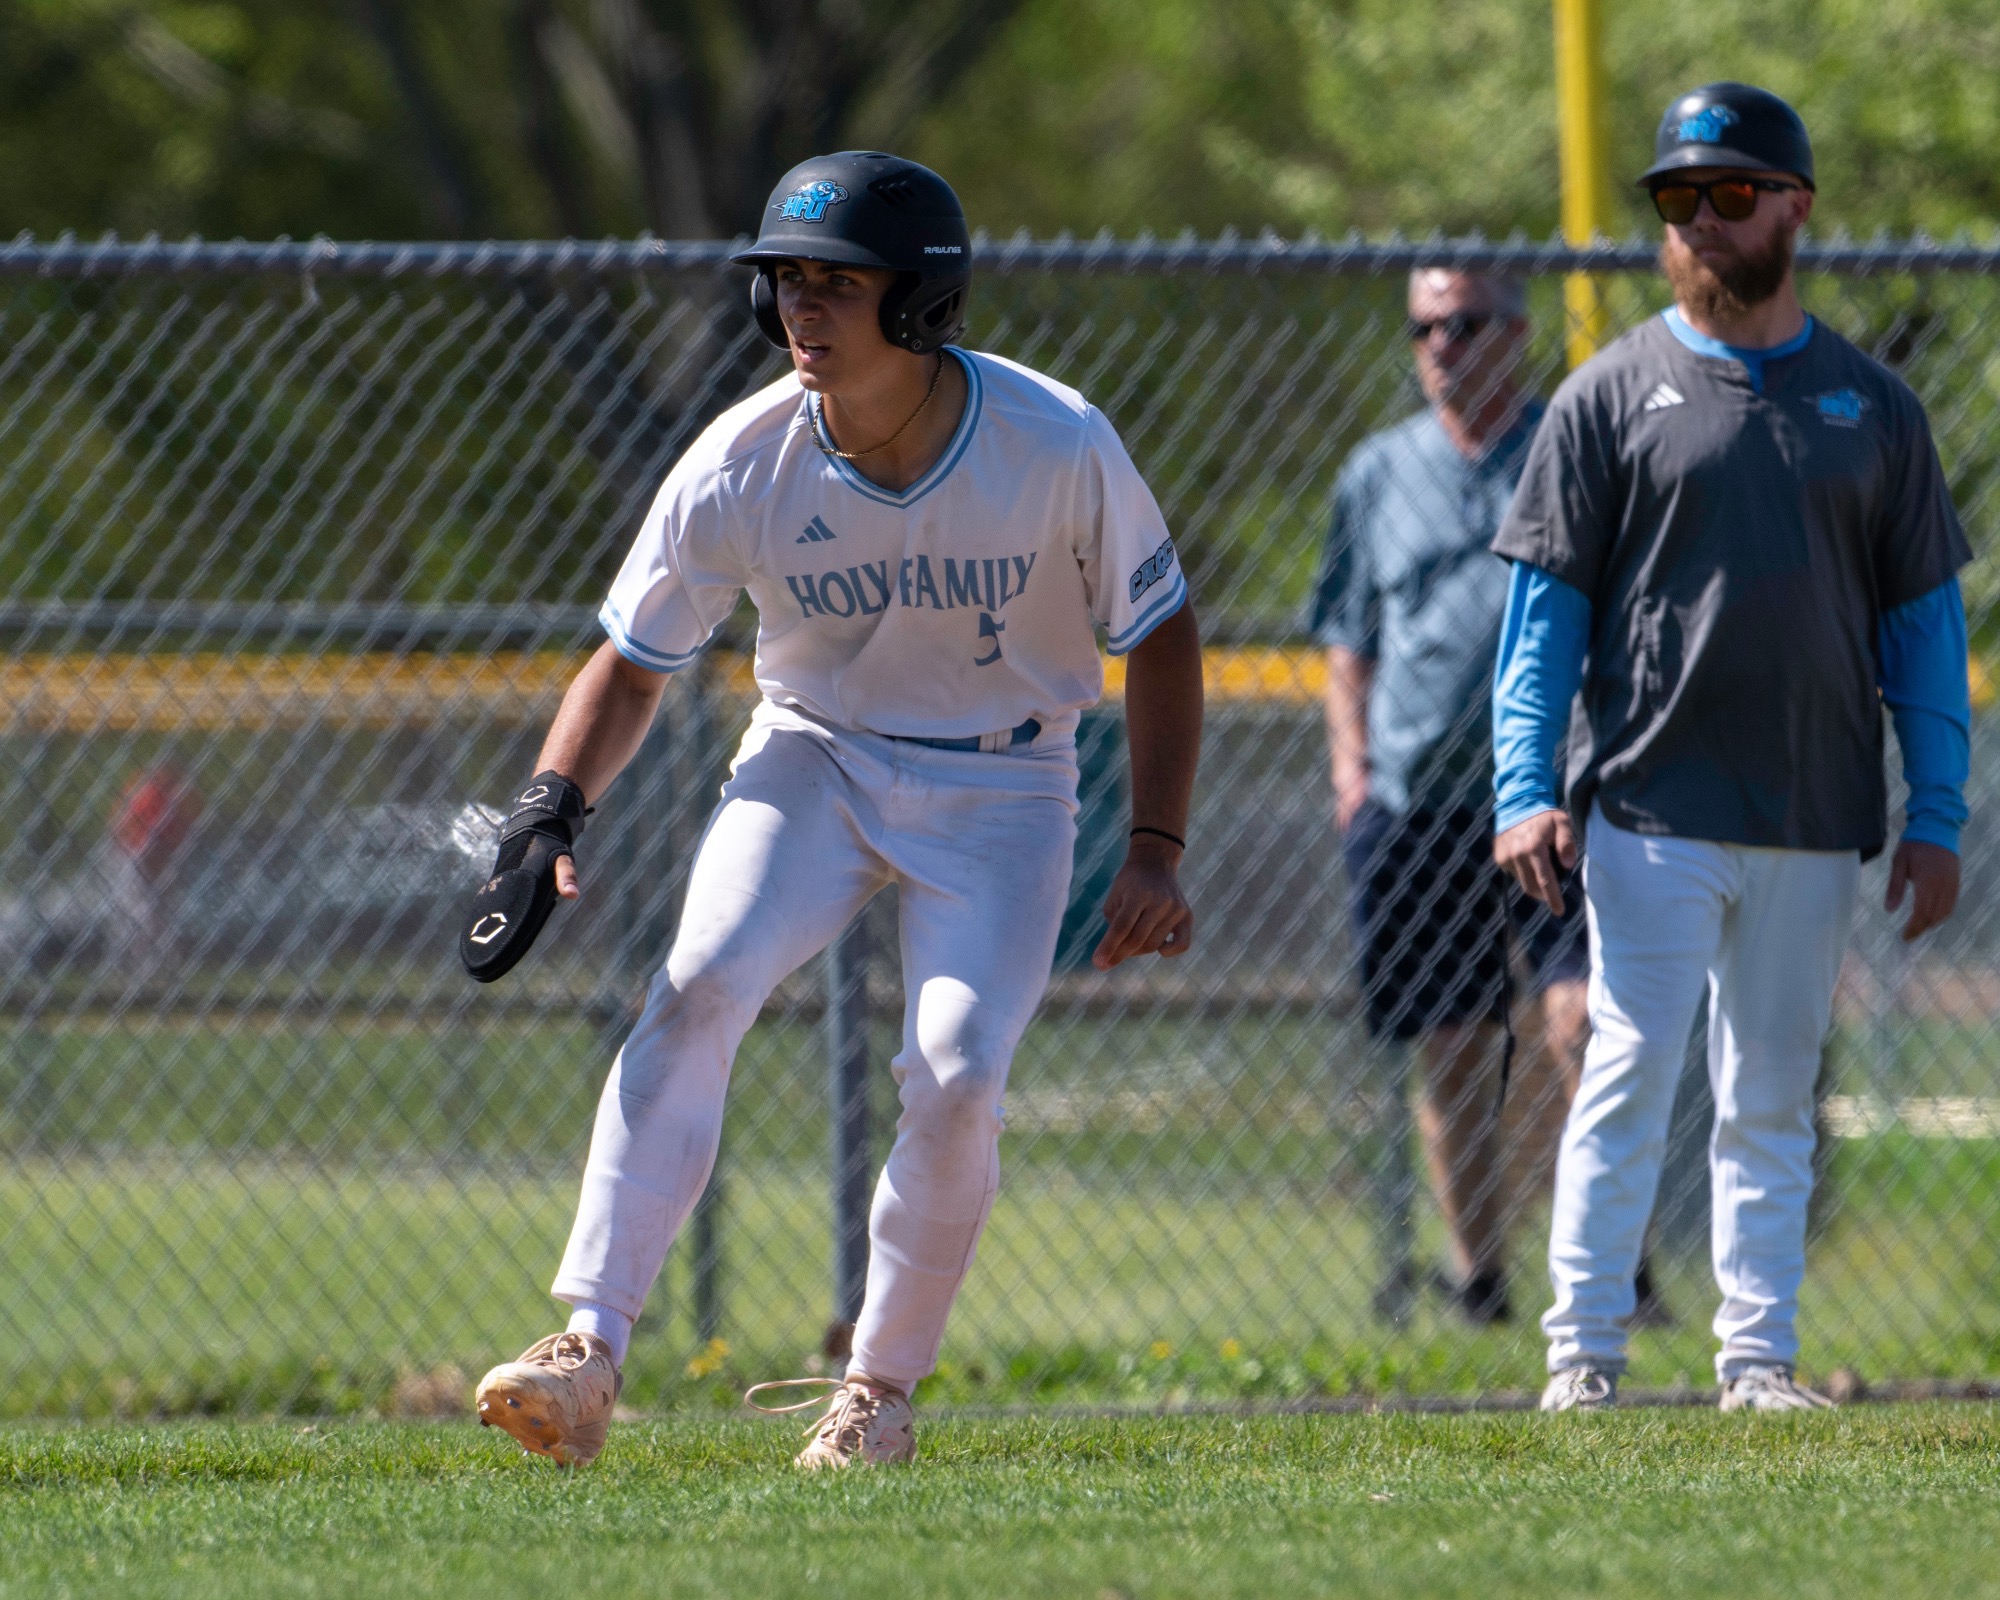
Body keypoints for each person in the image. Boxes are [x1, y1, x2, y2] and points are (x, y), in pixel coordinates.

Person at [465, 152, 1203, 1467]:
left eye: (838, 284)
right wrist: (547, 812)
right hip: (816, 753)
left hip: (1006, 777)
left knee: (961, 1074)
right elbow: (636, 661)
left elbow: (1161, 629)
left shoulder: (1054, 439)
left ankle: (878, 1396)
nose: (802, 309)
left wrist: (1156, 843)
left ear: (921, 305)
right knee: (697, 982)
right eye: (785, 282)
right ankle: (585, 1345)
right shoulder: (743, 459)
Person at [1492, 83, 1971, 1412]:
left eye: (1732, 193)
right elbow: (1541, 621)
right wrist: (1525, 789)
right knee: (1631, 1068)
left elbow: (1927, 630)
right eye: (1677, 198)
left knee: (1770, 1093)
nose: (1701, 220)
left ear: (1795, 208)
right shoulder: (1607, 398)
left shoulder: (1873, 409)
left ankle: (1757, 1362)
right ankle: (1581, 1355)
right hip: (1651, 804)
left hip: (1816, 810)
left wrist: (1937, 812)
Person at [1316, 268, 1633, 1327]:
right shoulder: (1375, 472)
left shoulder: (1570, 448)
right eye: (1421, 328)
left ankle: (1602, 1265)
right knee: (1451, 1046)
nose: (1438, 346)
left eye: (1458, 324)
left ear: (1511, 332)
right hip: (1418, 804)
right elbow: (1346, 642)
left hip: (1554, 791)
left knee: (1579, 1021)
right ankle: (1479, 1279)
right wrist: (1352, 778)